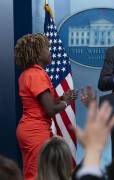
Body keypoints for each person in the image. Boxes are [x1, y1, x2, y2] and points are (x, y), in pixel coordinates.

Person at [15, 33, 77, 180]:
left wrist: (62, 98)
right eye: (47, 48)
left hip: (32, 128)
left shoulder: (29, 73)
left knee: (38, 172)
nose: (50, 52)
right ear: (37, 52)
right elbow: (49, 110)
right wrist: (66, 102)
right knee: (35, 174)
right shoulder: (36, 74)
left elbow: (44, 102)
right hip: (35, 131)